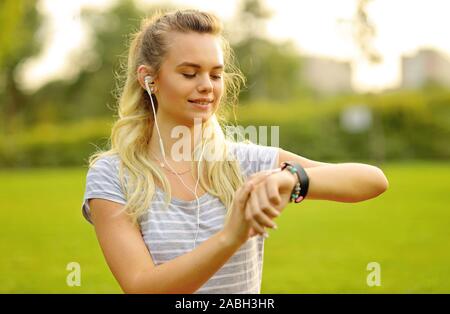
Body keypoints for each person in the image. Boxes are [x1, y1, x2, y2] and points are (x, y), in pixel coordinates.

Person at [81, 9, 389, 294]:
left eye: (215, 75)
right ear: (149, 79)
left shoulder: (247, 162)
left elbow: (372, 180)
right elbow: (142, 287)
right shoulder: (113, 175)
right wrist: (231, 235)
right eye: (190, 73)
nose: (207, 86)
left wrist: (290, 179)